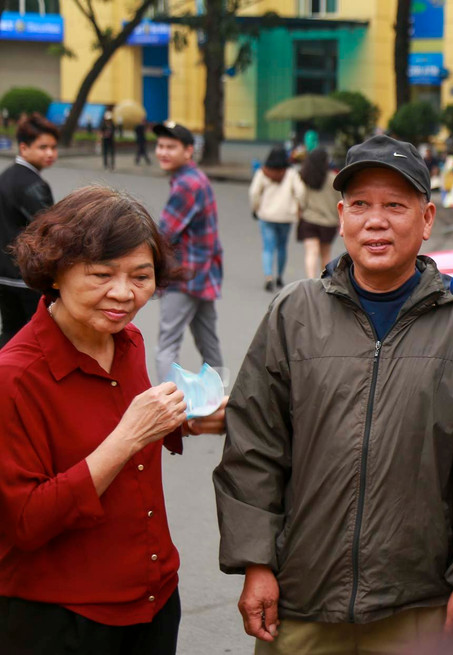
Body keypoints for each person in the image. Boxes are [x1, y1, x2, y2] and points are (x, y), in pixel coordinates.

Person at [214, 134, 453, 655]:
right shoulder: (294, 313)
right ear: (341, 216)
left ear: (427, 219)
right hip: (301, 600)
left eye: (395, 205)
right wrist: (255, 563)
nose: (376, 222)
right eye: (360, 206)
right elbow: (253, 446)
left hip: (420, 605)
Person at [0, 186, 226, 655]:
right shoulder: (14, 378)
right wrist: (128, 436)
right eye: (101, 274)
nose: (124, 294)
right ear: (55, 272)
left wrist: (183, 420)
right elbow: (25, 522)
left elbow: (111, 425)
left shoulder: (128, 340)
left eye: (141, 276)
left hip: (154, 596)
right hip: (62, 615)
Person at [153, 120, 224, 383]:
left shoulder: (186, 185)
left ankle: (168, 403)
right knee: (209, 344)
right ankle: (220, 399)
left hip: (183, 277)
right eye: (160, 146)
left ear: (188, 151)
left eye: (170, 147)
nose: (163, 152)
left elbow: (162, 235)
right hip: (203, 275)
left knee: (166, 346)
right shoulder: (196, 179)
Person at [0, 113, 58, 348]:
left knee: (11, 331)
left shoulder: (6, 176)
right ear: (24, 148)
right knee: (42, 337)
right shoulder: (33, 184)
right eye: (43, 147)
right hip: (27, 276)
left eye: (53, 147)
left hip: (4, 274)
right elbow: (51, 231)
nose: (50, 153)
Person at [249, 146, 299, 292]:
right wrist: (298, 208)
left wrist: (255, 208)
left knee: (268, 248)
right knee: (282, 247)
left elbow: (254, 193)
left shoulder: (262, 173)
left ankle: (268, 277)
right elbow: (301, 192)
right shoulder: (291, 173)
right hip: (285, 216)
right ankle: (280, 277)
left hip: (266, 215)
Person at [292, 148, 338, 279]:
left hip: (309, 220)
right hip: (329, 222)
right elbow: (340, 199)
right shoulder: (333, 179)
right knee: (325, 254)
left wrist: (299, 213)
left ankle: (311, 280)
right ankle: (325, 281)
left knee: (311, 252)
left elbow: (301, 198)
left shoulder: (306, 177)